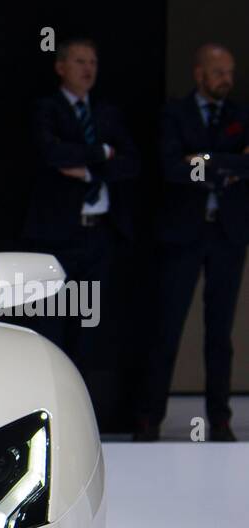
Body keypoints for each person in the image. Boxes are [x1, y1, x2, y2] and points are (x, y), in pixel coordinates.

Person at [139, 43, 249, 442]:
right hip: (183, 232)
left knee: (220, 333)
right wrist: (225, 164)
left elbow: (239, 164)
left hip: (226, 234)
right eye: (219, 72)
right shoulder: (175, 112)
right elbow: (171, 167)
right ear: (200, 73)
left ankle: (219, 419)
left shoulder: (239, 114)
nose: (227, 80)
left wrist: (202, 160)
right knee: (167, 326)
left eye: (231, 73)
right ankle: (150, 416)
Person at [21, 38, 138, 408]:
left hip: (97, 235)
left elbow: (131, 162)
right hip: (56, 236)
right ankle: (48, 406)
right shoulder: (47, 109)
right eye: (79, 61)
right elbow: (51, 154)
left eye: (93, 62)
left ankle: (82, 410)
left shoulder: (105, 113)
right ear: (61, 67)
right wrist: (102, 153)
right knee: (52, 321)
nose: (88, 68)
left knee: (88, 328)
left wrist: (86, 172)